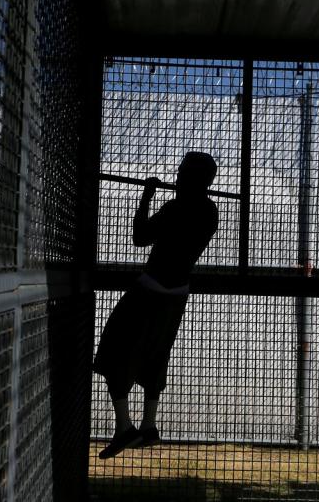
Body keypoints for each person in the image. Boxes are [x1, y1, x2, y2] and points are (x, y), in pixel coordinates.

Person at [93, 151, 219, 459]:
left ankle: (125, 427)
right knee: (156, 354)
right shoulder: (209, 212)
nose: (176, 178)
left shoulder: (176, 208)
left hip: (149, 290)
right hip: (177, 295)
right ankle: (149, 425)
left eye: (181, 174)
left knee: (114, 350)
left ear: (190, 178)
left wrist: (146, 196)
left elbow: (139, 237)